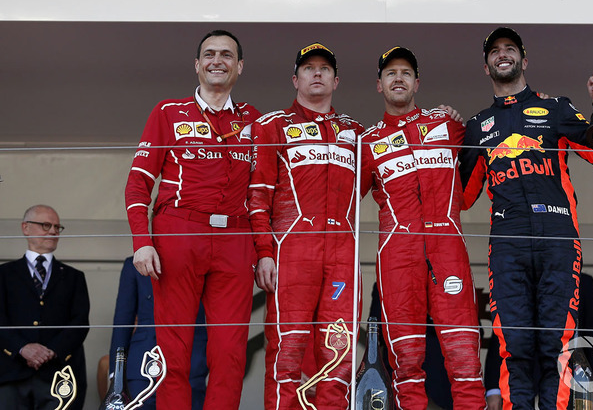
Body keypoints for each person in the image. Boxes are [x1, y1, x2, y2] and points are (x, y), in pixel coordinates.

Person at [459, 27, 593, 410]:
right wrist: (449, 132)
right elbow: (463, 198)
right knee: (513, 345)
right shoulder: (477, 126)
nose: (503, 54)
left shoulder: (557, 109)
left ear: (524, 60)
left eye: (510, 49)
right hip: (508, 243)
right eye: (495, 51)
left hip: (558, 238)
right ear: (486, 66)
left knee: (557, 344)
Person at [124, 30, 261, 410]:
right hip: (179, 232)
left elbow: (265, 192)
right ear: (197, 65)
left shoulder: (255, 120)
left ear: (240, 66)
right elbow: (138, 183)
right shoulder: (168, 112)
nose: (218, 60)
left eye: (227, 55)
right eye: (210, 54)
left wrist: (265, 251)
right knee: (174, 346)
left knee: (230, 348)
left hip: (236, 237)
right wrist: (143, 241)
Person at [360, 47, 485, 409]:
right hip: (397, 258)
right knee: (406, 363)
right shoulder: (367, 142)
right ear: (379, 86)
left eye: (405, 72)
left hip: (448, 252)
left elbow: (475, 180)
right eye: (390, 73)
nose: (398, 78)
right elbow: (341, 196)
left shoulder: (448, 125)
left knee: (465, 360)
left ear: (417, 82)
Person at [249, 42, 364, 409]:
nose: (317, 73)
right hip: (291, 251)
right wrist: (265, 253)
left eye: (325, 69)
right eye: (309, 68)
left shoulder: (356, 132)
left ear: (336, 80)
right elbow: (257, 199)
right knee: (287, 349)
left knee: (339, 350)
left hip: (343, 253)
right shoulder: (272, 125)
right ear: (295, 79)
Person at [0, 205, 90, 409]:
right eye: (46, 225)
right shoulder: (4, 274)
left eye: (57, 227)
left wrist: (50, 351)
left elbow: (80, 322)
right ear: (26, 228)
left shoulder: (74, 277)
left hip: (60, 376)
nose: (53, 232)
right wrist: (23, 348)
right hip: (9, 375)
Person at [109, 256, 209, 409]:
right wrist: (116, 371)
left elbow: (207, 319)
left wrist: (203, 361)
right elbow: (123, 320)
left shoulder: (201, 261)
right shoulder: (133, 263)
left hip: (190, 361)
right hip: (142, 363)